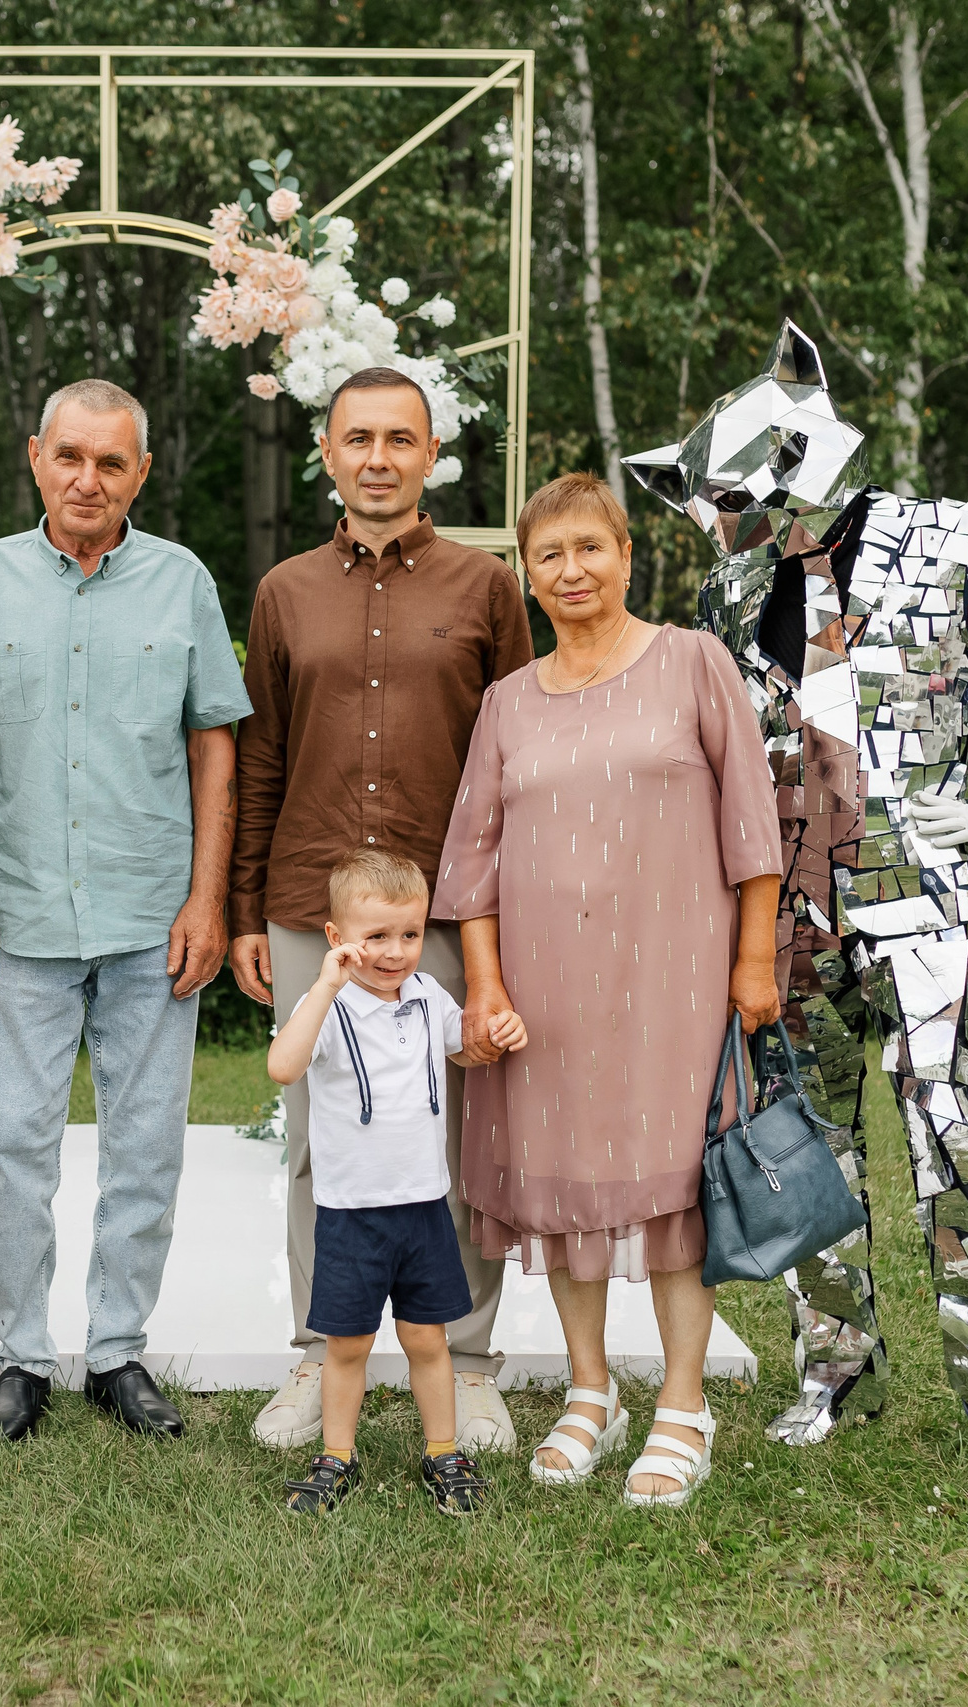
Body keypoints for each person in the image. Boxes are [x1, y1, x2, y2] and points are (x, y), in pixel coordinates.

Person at [622, 321, 968, 1507]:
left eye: (741, 492)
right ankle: (833, 1374)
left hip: (922, 908)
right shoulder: (731, 585)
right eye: (714, 502)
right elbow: (721, 754)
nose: (730, 518)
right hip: (788, 919)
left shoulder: (949, 536)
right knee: (806, 1155)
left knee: (960, 1154)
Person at [434, 472, 785, 1508]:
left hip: (673, 980)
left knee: (671, 1184)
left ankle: (683, 1403)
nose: (571, 570)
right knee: (565, 1185)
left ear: (627, 556)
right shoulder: (505, 703)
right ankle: (590, 1392)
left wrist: (754, 961)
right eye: (549, 555)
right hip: (543, 993)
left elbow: (751, 826)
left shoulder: (691, 662)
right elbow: (471, 866)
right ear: (527, 575)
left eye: (590, 548)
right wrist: (485, 990)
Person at [0, 378, 253, 1447]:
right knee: (12, 1146)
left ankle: (117, 1352)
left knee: (145, 1146)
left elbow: (216, 740)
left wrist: (209, 898)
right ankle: (20, 1357)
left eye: (110, 463)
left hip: (151, 913)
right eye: (70, 456)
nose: (87, 479)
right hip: (17, 920)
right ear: (34, 458)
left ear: (140, 475)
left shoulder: (182, 581)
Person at [228, 367, 534, 1457]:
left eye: (398, 439)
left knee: (460, 1134)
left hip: (450, 910)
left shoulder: (486, 589)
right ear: (326, 451)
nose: (377, 457)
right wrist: (250, 911)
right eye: (357, 437)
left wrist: (509, 912)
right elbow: (259, 756)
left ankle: (474, 1360)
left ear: (430, 453)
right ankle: (325, 1354)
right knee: (323, 1142)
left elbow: (516, 758)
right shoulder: (282, 593)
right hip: (316, 903)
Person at [265, 852, 525, 1517]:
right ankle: (336, 1456)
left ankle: (443, 1449)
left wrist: (491, 1033)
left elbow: (460, 1048)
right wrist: (323, 987)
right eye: (376, 936)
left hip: (422, 1211)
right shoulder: (328, 1008)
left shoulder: (426, 996)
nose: (395, 951)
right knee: (347, 1346)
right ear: (336, 938)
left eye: (409, 934)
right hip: (353, 1216)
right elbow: (282, 1064)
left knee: (427, 1339)